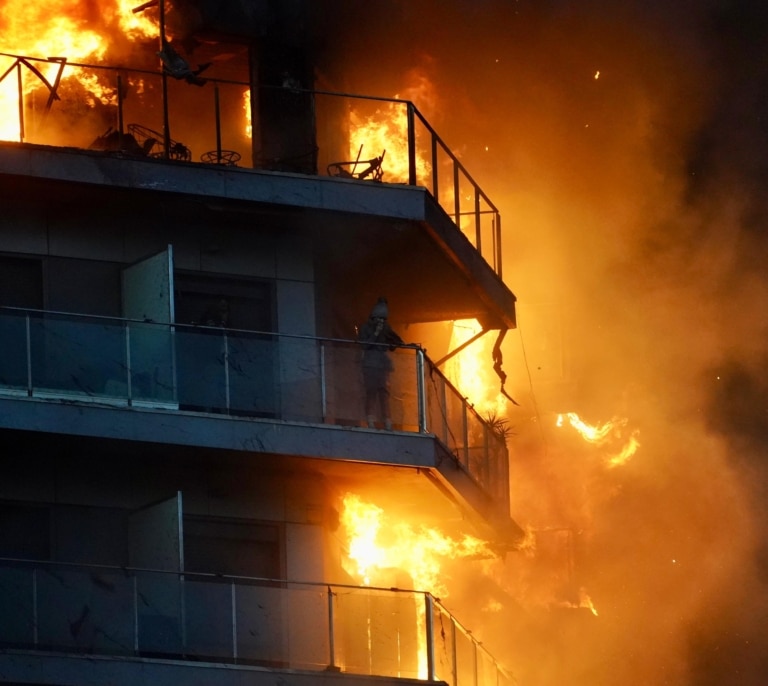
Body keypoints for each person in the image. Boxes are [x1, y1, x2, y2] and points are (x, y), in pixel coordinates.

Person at [358, 297, 403, 430]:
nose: (381, 322)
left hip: (382, 366)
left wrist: (393, 341)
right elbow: (364, 345)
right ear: (373, 317)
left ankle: (387, 421)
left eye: (383, 320)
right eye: (379, 319)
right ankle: (370, 420)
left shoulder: (385, 328)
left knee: (384, 395)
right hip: (370, 365)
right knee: (371, 393)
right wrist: (376, 334)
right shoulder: (366, 328)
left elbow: (396, 341)